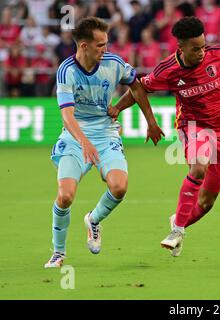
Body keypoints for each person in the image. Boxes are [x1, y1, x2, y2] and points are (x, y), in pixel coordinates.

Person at [109, 17, 220, 257]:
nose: (201, 53)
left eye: (203, 46)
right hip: (192, 125)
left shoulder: (218, 55)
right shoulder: (168, 70)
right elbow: (139, 89)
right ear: (181, 48)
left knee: (206, 203)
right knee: (198, 167)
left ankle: (179, 220)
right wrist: (117, 109)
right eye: (195, 49)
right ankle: (177, 231)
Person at [45, 17, 164, 268]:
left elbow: (138, 88)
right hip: (76, 136)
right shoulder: (66, 71)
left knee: (119, 187)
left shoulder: (114, 63)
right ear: (84, 46)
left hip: (106, 134)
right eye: (100, 45)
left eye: (106, 44)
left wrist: (151, 122)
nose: (105, 49)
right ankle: (58, 253)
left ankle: (94, 220)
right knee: (65, 196)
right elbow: (67, 116)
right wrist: (84, 141)